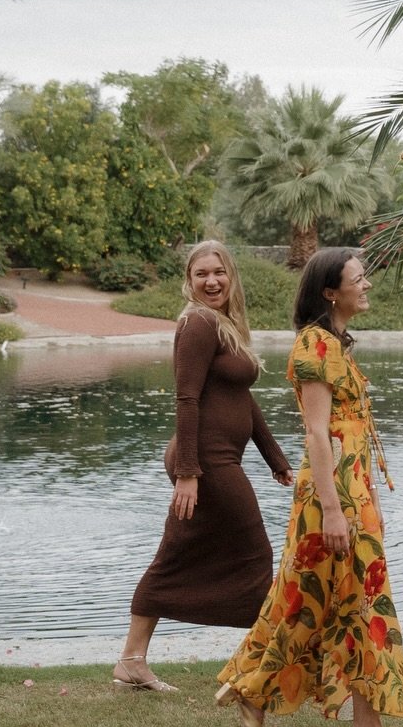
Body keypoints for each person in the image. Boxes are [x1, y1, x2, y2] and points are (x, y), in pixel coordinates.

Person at [215, 247, 403, 727]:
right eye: (358, 278)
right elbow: (318, 434)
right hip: (332, 494)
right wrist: (333, 507)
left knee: (316, 597)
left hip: (349, 489)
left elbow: (352, 437)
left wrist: (366, 498)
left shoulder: (337, 344)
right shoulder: (315, 345)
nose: (367, 285)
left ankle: (253, 688)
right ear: (331, 291)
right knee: (353, 599)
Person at [116, 242, 293, 692]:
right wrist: (189, 474)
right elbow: (186, 398)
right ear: (189, 280)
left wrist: (275, 458)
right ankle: (266, 664)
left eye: (219, 272)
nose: (211, 281)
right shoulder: (197, 322)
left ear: (231, 276)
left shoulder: (225, 324)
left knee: (177, 553)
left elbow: (242, 401)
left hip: (216, 458)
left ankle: (131, 660)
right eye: (201, 274)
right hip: (207, 462)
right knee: (254, 552)